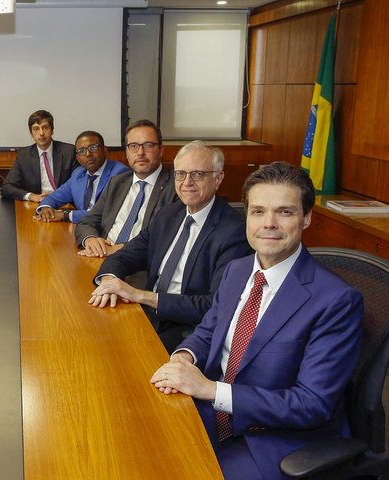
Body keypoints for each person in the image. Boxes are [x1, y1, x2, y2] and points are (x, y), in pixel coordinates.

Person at [150, 162, 363, 480]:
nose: (269, 224)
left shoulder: (336, 300)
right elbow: (209, 331)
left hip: (275, 438)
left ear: (306, 218)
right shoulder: (237, 270)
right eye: (258, 211)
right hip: (213, 411)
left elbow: (311, 404)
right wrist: (184, 357)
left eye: (285, 212)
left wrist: (210, 389)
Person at [90, 141, 251, 352]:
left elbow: (214, 305)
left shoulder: (234, 232)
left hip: (189, 331)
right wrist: (109, 281)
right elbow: (125, 255)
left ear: (218, 179)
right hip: (148, 314)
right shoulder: (169, 214)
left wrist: (141, 295)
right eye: (180, 174)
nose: (187, 182)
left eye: (198, 174)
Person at [74, 119, 177, 257]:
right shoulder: (117, 182)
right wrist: (91, 239)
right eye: (133, 146)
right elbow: (87, 221)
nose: (140, 152)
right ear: (127, 152)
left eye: (148, 145)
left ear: (161, 150)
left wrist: (118, 249)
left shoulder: (176, 188)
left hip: (138, 263)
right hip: (100, 257)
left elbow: (165, 240)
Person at [34, 130, 129, 223]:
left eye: (93, 148)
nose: (88, 154)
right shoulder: (78, 174)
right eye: (82, 151)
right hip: (83, 226)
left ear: (104, 150)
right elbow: (54, 197)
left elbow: (106, 213)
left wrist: (67, 215)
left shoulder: (120, 173)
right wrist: (46, 208)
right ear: (78, 158)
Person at [0, 110, 78, 202]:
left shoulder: (69, 152)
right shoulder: (24, 156)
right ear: (31, 134)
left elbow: (78, 184)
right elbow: (6, 187)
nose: (41, 133)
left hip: (63, 202)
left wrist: (58, 196)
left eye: (45, 128)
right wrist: (30, 196)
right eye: (36, 129)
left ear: (52, 130)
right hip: (37, 203)